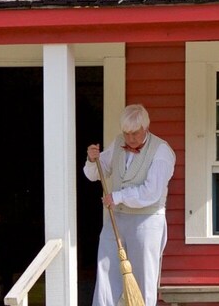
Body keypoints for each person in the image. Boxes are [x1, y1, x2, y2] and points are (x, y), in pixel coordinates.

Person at [83, 104, 176, 306]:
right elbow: (95, 174)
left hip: (147, 221)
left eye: (135, 133)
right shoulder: (118, 143)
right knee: (106, 270)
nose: (130, 138)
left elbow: (151, 192)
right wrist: (92, 160)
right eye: (126, 133)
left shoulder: (161, 151)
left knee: (143, 277)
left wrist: (118, 196)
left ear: (146, 128)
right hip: (116, 219)